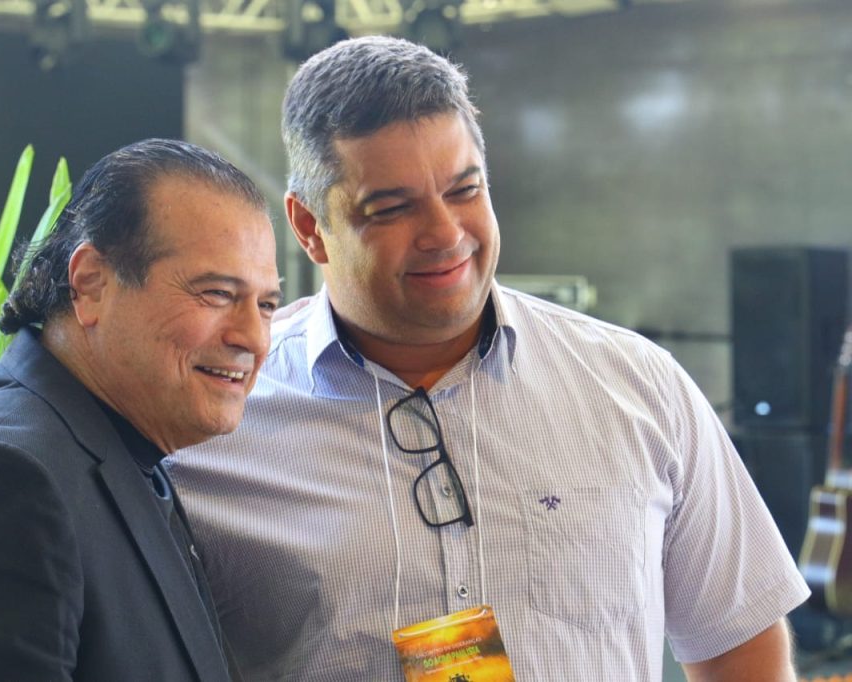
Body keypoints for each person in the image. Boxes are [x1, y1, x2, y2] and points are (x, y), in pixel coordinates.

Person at [168, 36, 810, 681]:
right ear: (310, 227)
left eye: (464, 190)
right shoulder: (216, 422)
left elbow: (738, 640)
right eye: (392, 208)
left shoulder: (639, 387)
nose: (445, 234)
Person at [0, 138, 282, 681]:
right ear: (91, 284)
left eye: (266, 304)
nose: (253, 337)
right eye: (217, 293)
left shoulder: (101, 445)